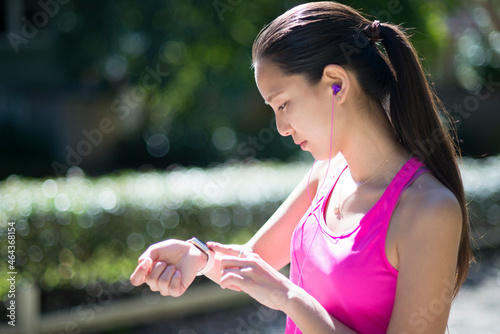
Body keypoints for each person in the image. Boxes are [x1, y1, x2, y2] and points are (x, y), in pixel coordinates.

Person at [130, 2, 473, 333]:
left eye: (283, 104)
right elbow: (254, 262)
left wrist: (291, 298)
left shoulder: (429, 210)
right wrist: (198, 255)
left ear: (335, 83)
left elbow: (278, 288)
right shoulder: (326, 175)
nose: (280, 127)